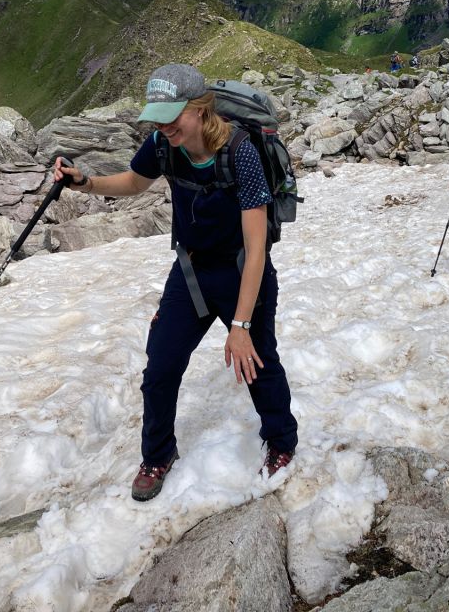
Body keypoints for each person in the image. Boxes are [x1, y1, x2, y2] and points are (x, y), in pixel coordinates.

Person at [54, 64, 298, 502]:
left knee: (258, 363)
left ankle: (282, 442)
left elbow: (257, 248)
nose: (163, 126)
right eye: (157, 118)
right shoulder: (163, 144)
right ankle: (158, 454)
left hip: (242, 270)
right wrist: (85, 183)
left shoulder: (240, 152)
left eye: (172, 117)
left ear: (200, 109)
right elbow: (134, 181)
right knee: (161, 368)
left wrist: (240, 325)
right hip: (191, 271)